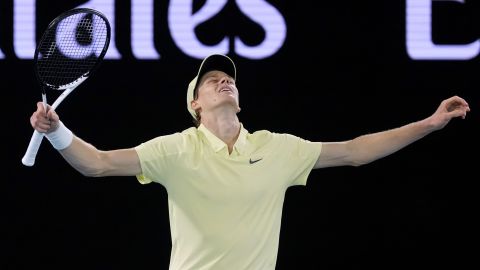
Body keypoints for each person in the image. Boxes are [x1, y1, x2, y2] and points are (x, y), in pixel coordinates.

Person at [29, 53, 470, 270]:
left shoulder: (278, 148)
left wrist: (428, 124)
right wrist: (58, 133)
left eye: (228, 79)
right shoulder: (176, 149)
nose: (224, 83)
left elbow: (355, 151)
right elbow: (98, 164)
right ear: (195, 104)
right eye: (212, 81)